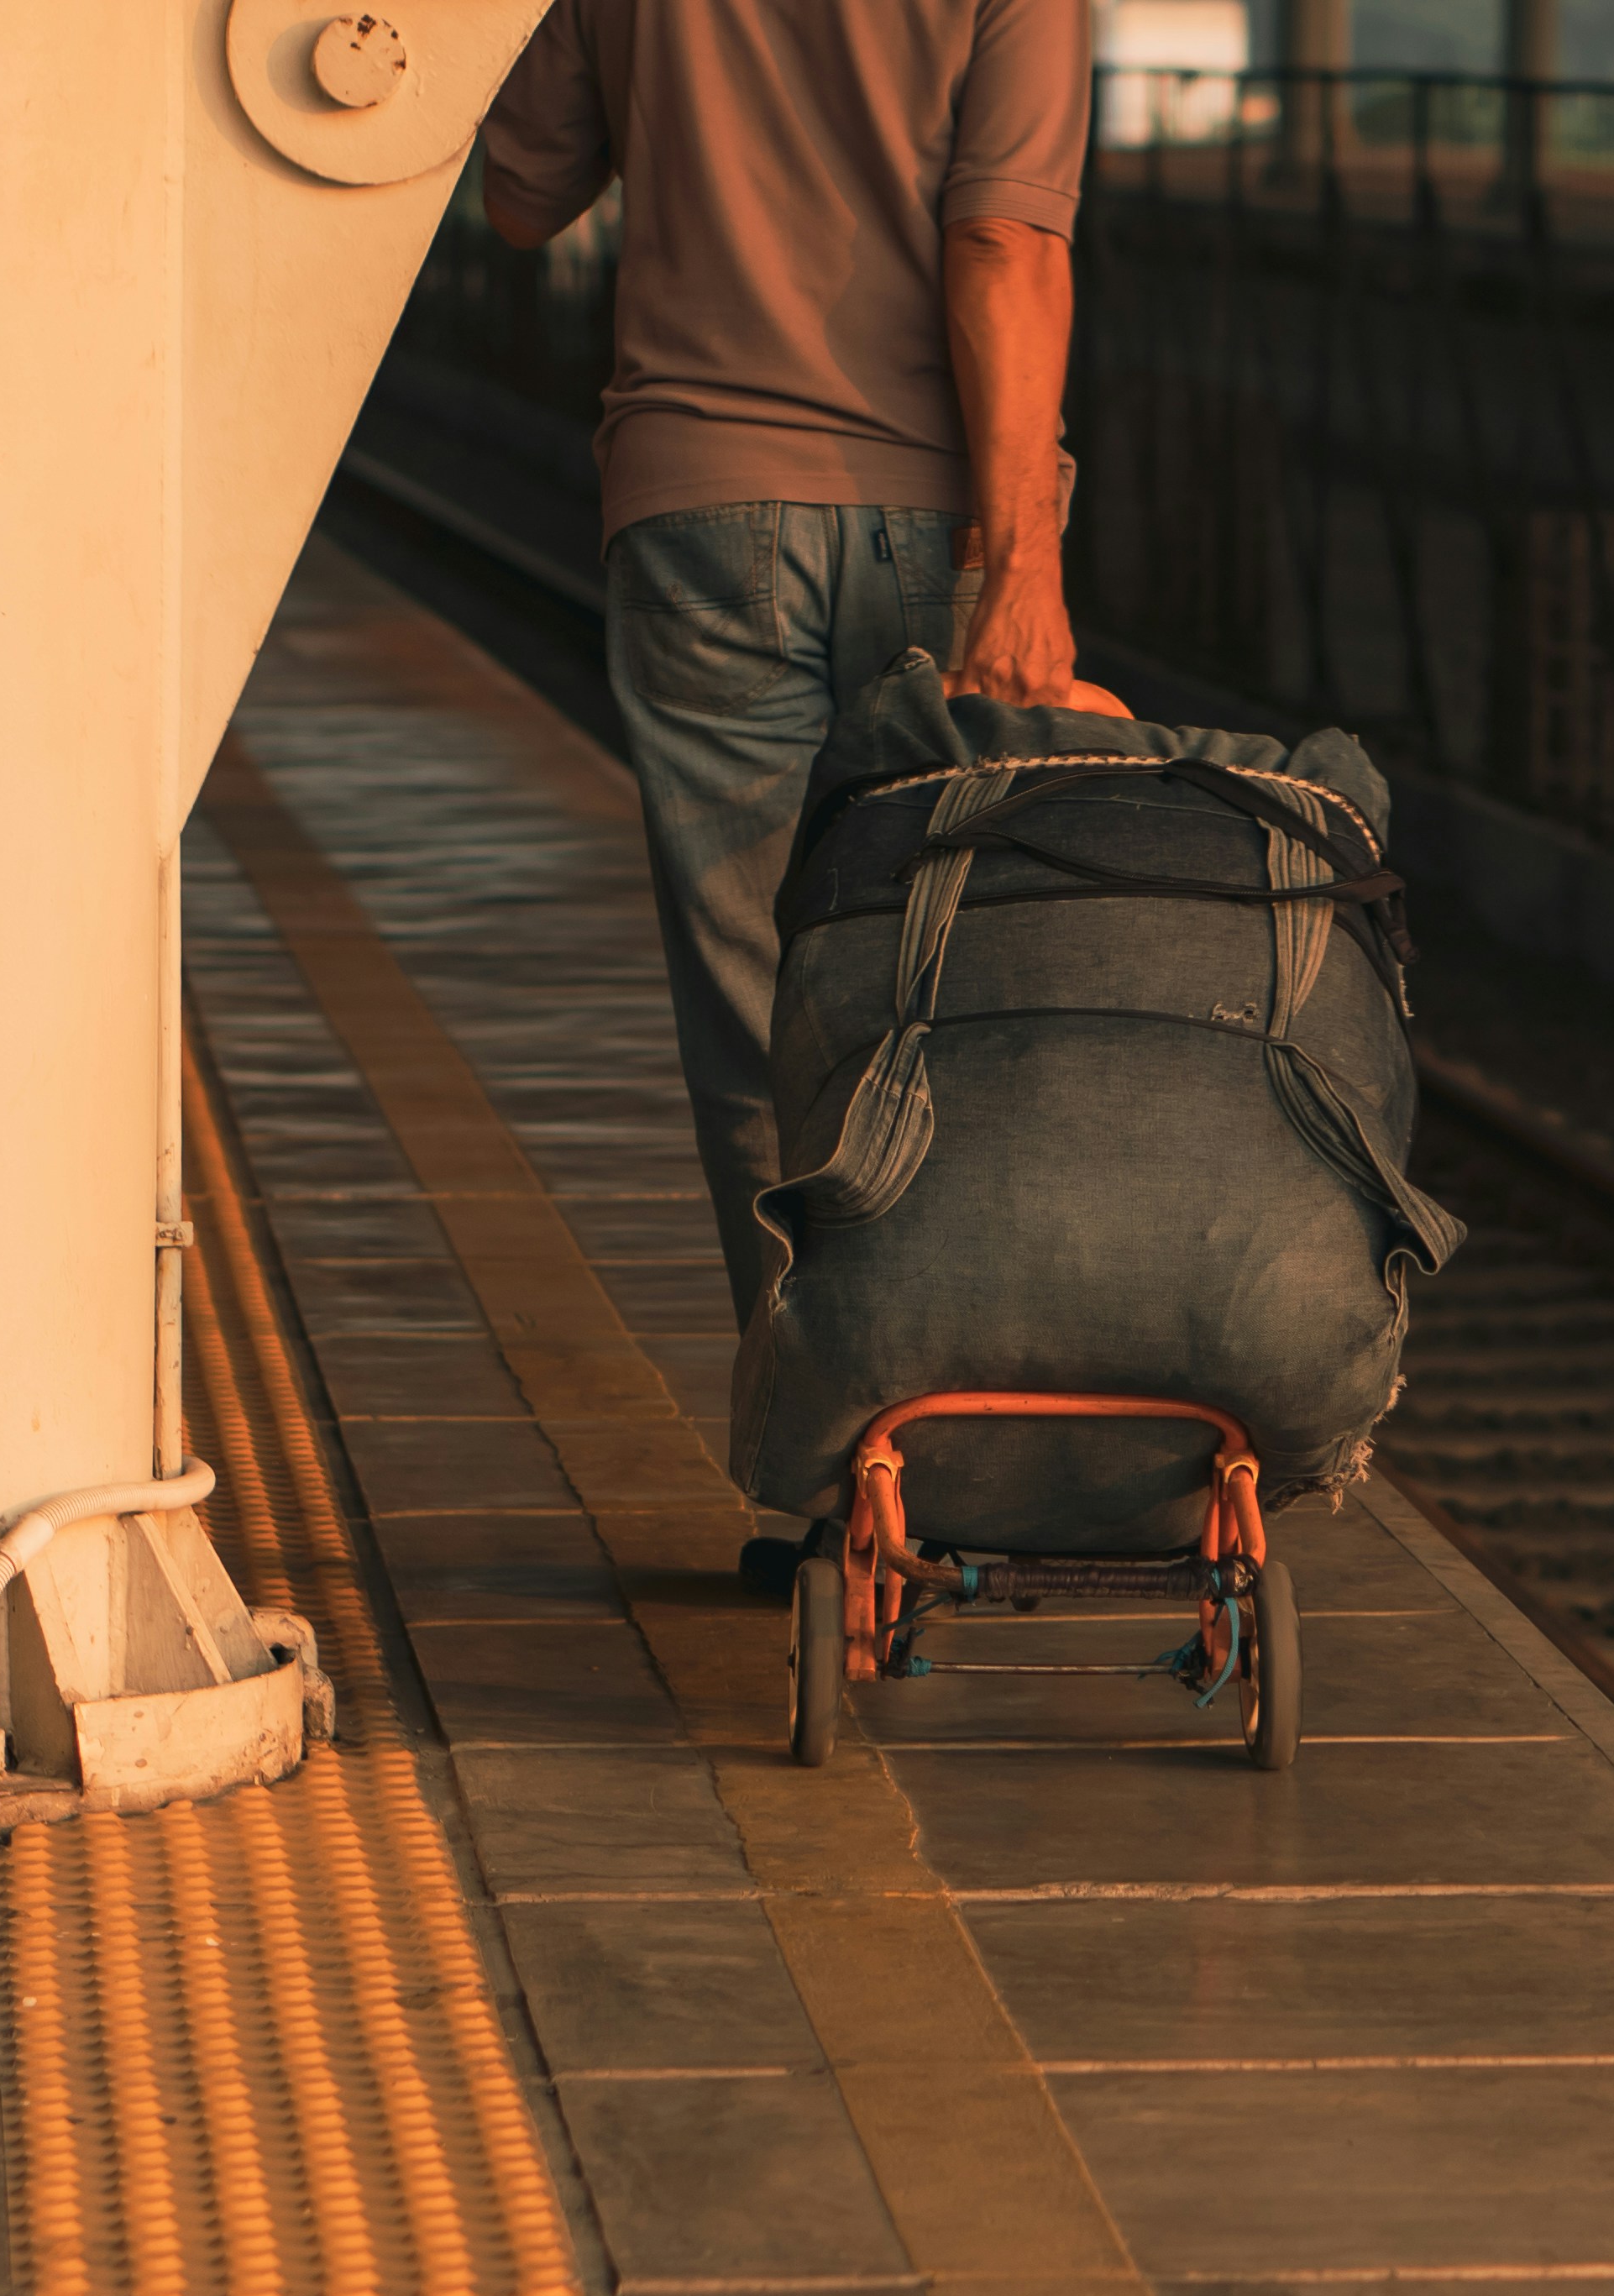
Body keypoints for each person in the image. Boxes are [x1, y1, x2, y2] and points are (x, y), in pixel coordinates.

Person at [479, 0, 1129, 1332]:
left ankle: (831, 1456)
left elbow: (519, 194)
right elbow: (1004, 240)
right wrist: (1024, 574)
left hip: (701, 510)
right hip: (949, 531)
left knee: (763, 1010)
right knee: (977, 989)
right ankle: (976, 1436)